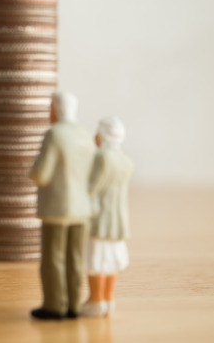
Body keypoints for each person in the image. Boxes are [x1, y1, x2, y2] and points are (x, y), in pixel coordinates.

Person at [28, 91, 95, 320]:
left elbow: (42, 172)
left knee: (53, 256)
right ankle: (74, 304)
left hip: (58, 206)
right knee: (75, 256)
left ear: (56, 110)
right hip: (82, 206)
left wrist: (31, 172)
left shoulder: (55, 134)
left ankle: (55, 305)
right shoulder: (84, 134)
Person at [82, 116, 134, 317]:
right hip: (118, 220)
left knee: (96, 261)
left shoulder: (101, 157)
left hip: (100, 218)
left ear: (102, 135)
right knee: (112, 260)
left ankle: (96, 300)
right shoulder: (126, 161)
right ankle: (108, 299)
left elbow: (91, 187)